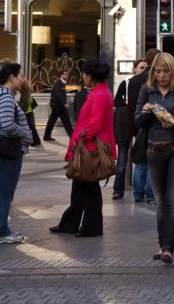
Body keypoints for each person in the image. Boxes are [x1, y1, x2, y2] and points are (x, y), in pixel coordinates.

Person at [134, 52, 174, 265]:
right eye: (158, 71)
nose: (162, 75)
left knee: (172, 201)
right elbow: (137, 122)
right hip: (154, 149)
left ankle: (169, 249)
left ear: (173, 71)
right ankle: (163, 245)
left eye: (166, 71)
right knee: (161, 202)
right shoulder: (147, 90)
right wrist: (145, 113)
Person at [49, 59, 116, 238]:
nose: (82, 77)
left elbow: (95, 123)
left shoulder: (100, 94)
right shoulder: (99, 91)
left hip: (90, 147)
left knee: (89, 188)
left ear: (90, 76)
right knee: (79, 187)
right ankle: (70, 224)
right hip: (87, 145)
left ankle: (92, 227)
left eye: (84, 74)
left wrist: (81, 138)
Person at [0, 62, 32, 244]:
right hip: (9, 149)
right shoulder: (5, 97)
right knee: (5, 191)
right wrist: (24, 132)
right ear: (11, 78)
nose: (23, 80)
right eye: (21, 76)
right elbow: (6, 124)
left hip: (5, 148)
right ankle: (3, 231)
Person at [112, 59, 148, 200]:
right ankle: (118, 190)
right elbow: (116, 101)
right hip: (126, 124)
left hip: (139, 123)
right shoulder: (126, 83)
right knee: (122, 161)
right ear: (134, 69)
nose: (144, 70)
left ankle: (141, 189)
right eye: (141, 67)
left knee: (141, 159)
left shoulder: (148, 84)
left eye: (145, 67)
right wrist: (127, 102)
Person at [128, 49, 159, 204]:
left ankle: (138, 193)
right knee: (152, 161)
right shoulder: (157, 79)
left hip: (139, 124)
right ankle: (150, 194)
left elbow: (132, 105)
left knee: (140, 161)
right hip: (154, 125)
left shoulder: (134, 80)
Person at [43, 69, 74, 141]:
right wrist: (64, 103)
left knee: (51, 121)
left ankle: (46, 136)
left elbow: (65, 90)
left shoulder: (62, 83)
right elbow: (59, 94)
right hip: (58, 106)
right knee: (67, 122)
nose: (67, 76)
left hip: (57, 105)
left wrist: (78, 87)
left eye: (67, 74)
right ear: (61, 75)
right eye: (65, 74)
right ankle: (73, 138)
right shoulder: (59, 83)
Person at [17, 81, 40, 147]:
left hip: (27, 113)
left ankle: (34, 142)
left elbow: (25, 105)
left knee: (30, 128)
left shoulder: (24, 94)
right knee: (32, 127)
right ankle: (36, 141)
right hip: (30, 112)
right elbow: (32, 102)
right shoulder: (27, 93)